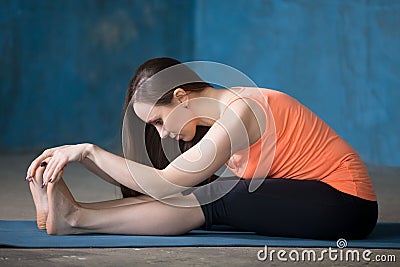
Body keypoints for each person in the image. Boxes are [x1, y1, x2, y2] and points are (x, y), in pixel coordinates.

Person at [26, 57, 378, 239]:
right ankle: (73, 211)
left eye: (160, 121)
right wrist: (81, 162)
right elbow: (167, 187)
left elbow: (165, 182)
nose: (162, 134)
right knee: (208, 193)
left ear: (181, 97)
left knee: (220, 196)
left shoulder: (242, 112)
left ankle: (75, 218)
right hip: (317, 199)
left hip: (346, 203)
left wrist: (87, 152)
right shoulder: (221, 115)